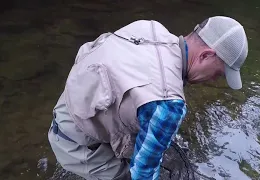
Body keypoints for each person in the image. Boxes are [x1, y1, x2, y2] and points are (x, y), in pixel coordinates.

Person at [48, 16, 248, 180]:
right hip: (74, 144)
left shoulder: (148, 28)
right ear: (206, 56)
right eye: (218, 73)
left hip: (67, 108)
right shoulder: (169, 105)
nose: (213, 80)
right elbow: (142, 175)